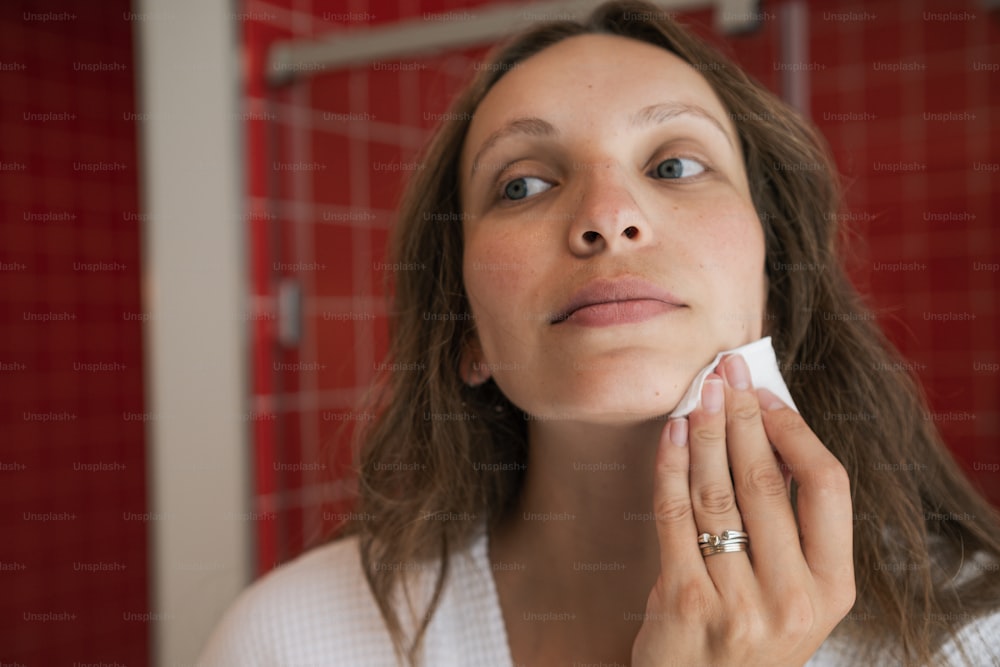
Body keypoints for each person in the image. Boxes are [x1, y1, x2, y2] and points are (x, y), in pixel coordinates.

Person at [198, 1, 1000, 665]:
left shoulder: (969, 636)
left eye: (675, 165)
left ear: (774, 290)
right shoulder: (289, 638)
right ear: (465, 332)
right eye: (524, 183)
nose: (606, 216)